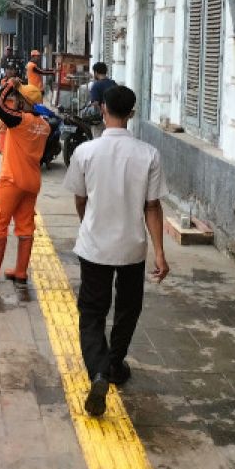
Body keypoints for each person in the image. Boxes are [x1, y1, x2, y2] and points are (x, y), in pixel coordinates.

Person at [62, 86, 168, 417]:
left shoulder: (85, 152)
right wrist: (160, 253)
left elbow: (80, 199)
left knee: (92, 311)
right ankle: (113, 365)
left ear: (103, 109)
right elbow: (153, 207)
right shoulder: (148, 154)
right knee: (127, 308)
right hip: (132, 248)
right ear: (132, 113)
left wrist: (87, 223)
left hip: (95, 245)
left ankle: (98, 371)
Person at [0, 80, 49, 285]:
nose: (15, 101)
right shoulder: (44, 126)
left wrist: (9, 86)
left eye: (18, 98)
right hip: (32, 181)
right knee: (25, 226)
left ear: (24, 102)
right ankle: (21, 272)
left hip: (12, 180)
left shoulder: (21, 120)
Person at [0, 60, 23, 156]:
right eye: (8, 69)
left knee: (12, 128)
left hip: (13, 107)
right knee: (2, 127)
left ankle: (10, 148)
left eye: (12, 69)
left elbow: (18, 95)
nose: (9, 71)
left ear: (15, 71)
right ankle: (1, 147)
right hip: (4, 106)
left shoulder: (18, 81)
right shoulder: (3, 81)